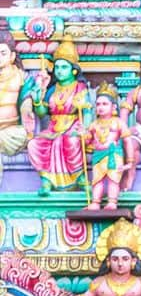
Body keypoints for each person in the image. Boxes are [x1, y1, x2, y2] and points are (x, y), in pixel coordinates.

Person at [27, 38, 92, 192]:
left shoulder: (80, 88)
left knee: (71, 141)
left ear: (74, 70)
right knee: (34, 144)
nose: (59, 71)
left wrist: (85, 129)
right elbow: (43, 114)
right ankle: (46, 180)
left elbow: (87, 111)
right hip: (54, 127)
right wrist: (37, 101)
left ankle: (80, 178)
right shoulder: (51, 89)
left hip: (73, 125)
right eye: (57, 67)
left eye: (64, 67)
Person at [83, 85, 136, 211]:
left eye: (105, 104)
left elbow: (127, 141)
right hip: (98, 155)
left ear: (113, 107)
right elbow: (87, 140)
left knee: (113, 179)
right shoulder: (94, 124)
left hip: (113, 154)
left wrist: (130, 162)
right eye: (98, 104)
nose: (101, 107)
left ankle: (112, 202)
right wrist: (82, 133)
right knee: (97, 180)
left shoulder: (118, 122)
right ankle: (95, 202)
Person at [0, 33, 33, 173]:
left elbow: (26, 103)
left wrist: (28, 112)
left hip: (12, 132)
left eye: (2, 53)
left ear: (12, 56)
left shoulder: (22, 77)